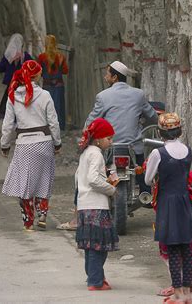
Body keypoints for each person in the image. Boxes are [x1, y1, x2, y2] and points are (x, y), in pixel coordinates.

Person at [57, 60, 158, 231]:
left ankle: (76, 219)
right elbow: (153, 117)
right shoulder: (138, 94)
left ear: (114, 77)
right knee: (144, 178)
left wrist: (86, 136)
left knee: (82, 175)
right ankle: (148, 197)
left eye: (107, 74)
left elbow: (90, 123)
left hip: (109, 148)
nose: (105, 77)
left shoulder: (103, 96)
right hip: (133, 148)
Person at [144, 113, 192, 304]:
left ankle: (177, 294)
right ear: (180, 130)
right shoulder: (188, 150)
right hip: (185, 200)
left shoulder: (158, 154)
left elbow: (148, 179)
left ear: (160, 133)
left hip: (167, 202)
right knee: (186, 247)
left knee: (173, 248)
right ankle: (187, 293)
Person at [0, 60, 61, 231]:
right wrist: (57, 143)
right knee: (43, 180)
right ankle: (42, 213)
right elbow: (54, 122)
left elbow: (8, 125)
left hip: (24, 145)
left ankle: (28, 222)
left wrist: (5, 145)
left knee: (25, 184)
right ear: (38, 75)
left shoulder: (13, 96)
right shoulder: (45, 95)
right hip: (44, 143)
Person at [75, 117, 119, 291]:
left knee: (90, 245)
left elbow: (79, 178)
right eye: (109, 138)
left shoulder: (86, 153)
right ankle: (95, 280)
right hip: (96, 206)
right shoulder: (96, 154)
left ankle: (95, 277)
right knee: (99, 246)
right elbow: (93, 179)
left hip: (84, 204)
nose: (111, 142)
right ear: (99, 139)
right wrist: (111, 189)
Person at [0, 33, 32, 120]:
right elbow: (33, 67)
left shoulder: (8, 56)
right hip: (22, 85)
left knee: (10, 104)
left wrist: (9, 62)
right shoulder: (25, 56)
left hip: (11, 85)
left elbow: (0, 68)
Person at [38, 35, 69, 130]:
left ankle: (49, 127)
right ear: (55, 44)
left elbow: (39, 71)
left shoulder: (41, 57)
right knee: (59, 106)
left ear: (46, 44)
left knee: (47, 107)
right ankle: (61, 127)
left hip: (47, 85)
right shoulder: (61, 57)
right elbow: (65, 71)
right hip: (59, 85)